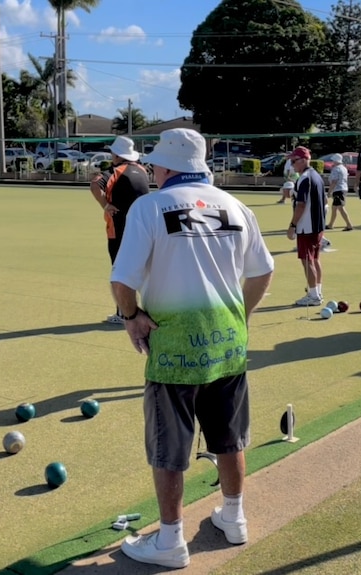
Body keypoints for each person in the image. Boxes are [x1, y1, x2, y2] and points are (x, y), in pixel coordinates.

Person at [110, 128, 274, 569]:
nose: (152, 171)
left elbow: (122, 280)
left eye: (155, 165)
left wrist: (131, 317)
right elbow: (263, 272)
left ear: (167, 167)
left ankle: (170, 541)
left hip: (173, 348)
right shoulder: (236, 206)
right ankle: (234, 518)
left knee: (169, 447)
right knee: (229, 436)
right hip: (228, 343)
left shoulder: (149, 207)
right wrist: (240, 315)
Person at [89, 136, 150, 323]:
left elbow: (94, 185)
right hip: (144, 229)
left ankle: (123, 313)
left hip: (119, 229)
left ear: (116, 155)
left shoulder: (114, 172)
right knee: (144, 271)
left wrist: (105, 205)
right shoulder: (143, 170)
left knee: (120, 272)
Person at [287, 146, 327, 306]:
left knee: (307, 260)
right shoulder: (317, 176)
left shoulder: (304, 178)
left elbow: (301, 205)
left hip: (306, 226)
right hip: (318, 226)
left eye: (294, 161)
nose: (292, 165)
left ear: (303, 160)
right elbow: (325, 201)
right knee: (315, 259)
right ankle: (317, 291)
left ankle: (313, 295)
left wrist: (292, 225)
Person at [325, 153, 354, 231]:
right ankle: (330, 224)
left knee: (340, 207)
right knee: (334, 207)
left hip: (338, 190)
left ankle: (349, 225)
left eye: (333, 160)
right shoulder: (344, 168)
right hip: (343, 189)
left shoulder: (336, 169)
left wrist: (329, 192)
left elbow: (334, 181)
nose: (332, 162)